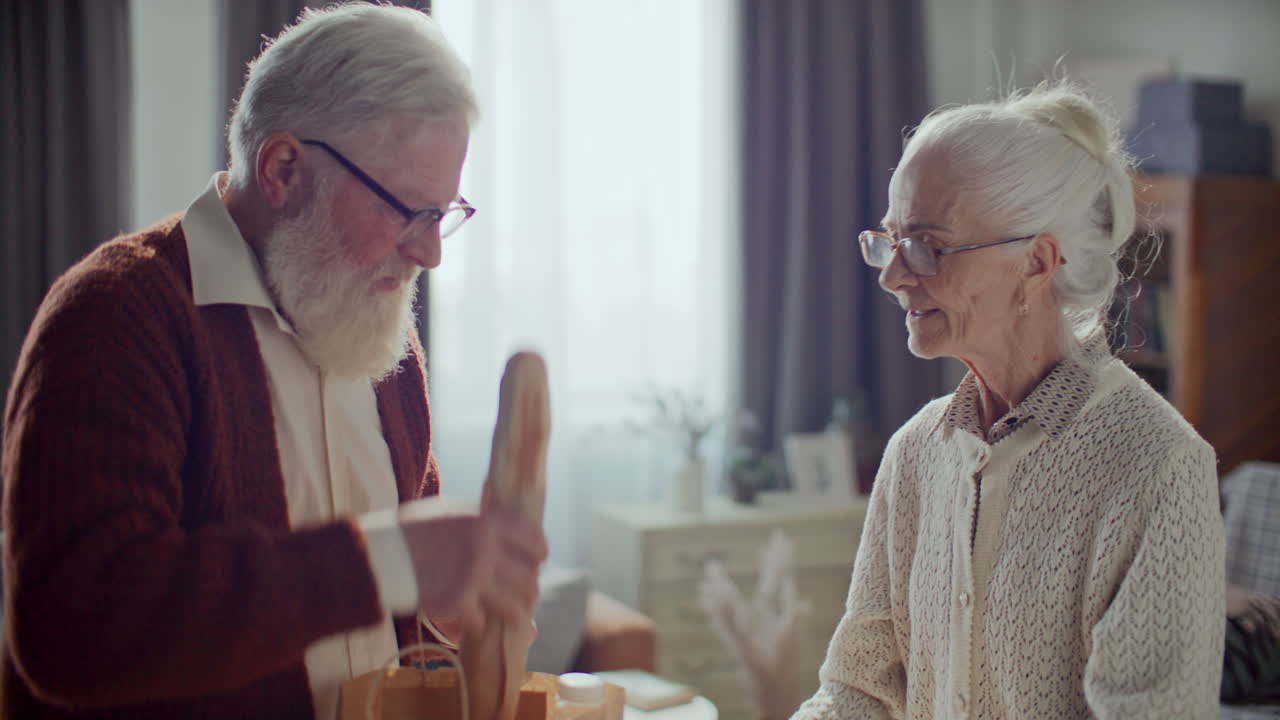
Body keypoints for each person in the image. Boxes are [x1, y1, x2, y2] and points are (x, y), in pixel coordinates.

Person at [1, 5, 547, 719]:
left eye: (443, 214)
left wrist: (461, 593)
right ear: (284, 168)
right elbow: (71, 630)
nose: (430, 253)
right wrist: (392, 561)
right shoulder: (115, 317)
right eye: (406, 209)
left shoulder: (379, 337)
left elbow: (398, 618)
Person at [793, 82, 1225, 719]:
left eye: (927, 245)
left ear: (1036, 262)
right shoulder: (916, 452)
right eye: (889, 239)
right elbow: (858, 694)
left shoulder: (1157, 466)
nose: (892, 274)